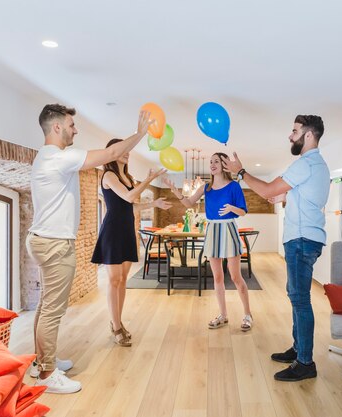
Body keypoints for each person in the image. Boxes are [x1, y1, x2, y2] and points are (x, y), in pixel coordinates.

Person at [26, 103, 151, 394]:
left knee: (46, 306)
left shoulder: (47, 158)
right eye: (71, 125)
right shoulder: (57, 157)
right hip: (54, 243)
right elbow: (109, 154)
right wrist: (140, 133)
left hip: (45, 239)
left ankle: (41, 361)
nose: (75, 129)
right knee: (53, 310)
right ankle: (46, 374)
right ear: (56, 127)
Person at [221, 115, 330, 382]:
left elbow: (269, 188)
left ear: (308, 135)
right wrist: (283, 195)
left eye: (294, 131)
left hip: (302, 239)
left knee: (300, 299)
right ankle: (298, 350)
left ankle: (305, 362)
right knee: (296, 296)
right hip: (307, 237)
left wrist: (242, 172)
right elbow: (278, 194)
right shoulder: (317, 166)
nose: (289, 136)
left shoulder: (305, 163)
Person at [91, 140, 171, 347]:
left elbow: (132, 206)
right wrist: (149, 179)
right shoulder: (109, 176)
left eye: (128, 151)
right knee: (114, 280)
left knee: (123, 278)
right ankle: (116, 326)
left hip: (127, 230)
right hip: (112, 230)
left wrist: (154, 203)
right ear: (113, 153)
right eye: (123, 150)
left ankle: (118, 321)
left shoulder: (128, 177)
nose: (127, 154)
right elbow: (129, 195)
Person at [163, 152, 253, 331]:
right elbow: (188, 203)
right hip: (212, 231)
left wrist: (231, 208)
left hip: (228, 229)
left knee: (235, 277)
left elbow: (243, 211)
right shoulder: (206, 188)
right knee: (217, 277)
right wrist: (174, 190)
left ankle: (248, 314)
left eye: (216, 161)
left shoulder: (234, 186)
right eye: (210, 162)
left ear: (224, 165)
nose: (212, 164)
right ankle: (223, 315)